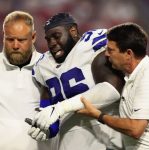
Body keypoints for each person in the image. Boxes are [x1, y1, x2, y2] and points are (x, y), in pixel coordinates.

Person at [28, 12, 124, 150]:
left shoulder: (91, 45)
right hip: (68, 140)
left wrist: (60, 108)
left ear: (73, 31)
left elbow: (112, 89)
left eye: (56, 36)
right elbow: (47, 99)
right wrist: (47, 126)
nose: (52, 43)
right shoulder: (42, 65)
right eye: (48, 39)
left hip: (106, 133)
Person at [78, 22, 149, 150]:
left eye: (110, 50)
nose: (106, 54)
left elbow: (135, 128)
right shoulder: (133, 76)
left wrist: (98, 115)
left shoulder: (146, 76)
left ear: (128, 54)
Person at [0, 11, 52, 150]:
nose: (15, 45)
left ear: (33, 37)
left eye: (21, 40)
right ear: (3, 36)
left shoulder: (50, 68)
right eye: (10, 39)